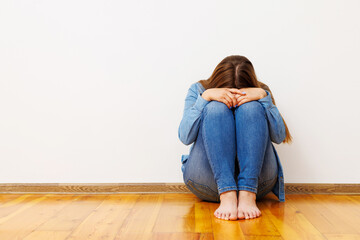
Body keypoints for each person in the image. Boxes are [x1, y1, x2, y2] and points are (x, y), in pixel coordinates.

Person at [178, 55, 293, 221]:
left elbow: (279, 136)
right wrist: (206, 98)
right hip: (207, 181)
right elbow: (185, 136)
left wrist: (263, 97)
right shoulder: (199, 90)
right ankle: (226, 193)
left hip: (258, 184)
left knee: (251, 108)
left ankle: (247, 194)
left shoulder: (261, 90)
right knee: (215, 109)